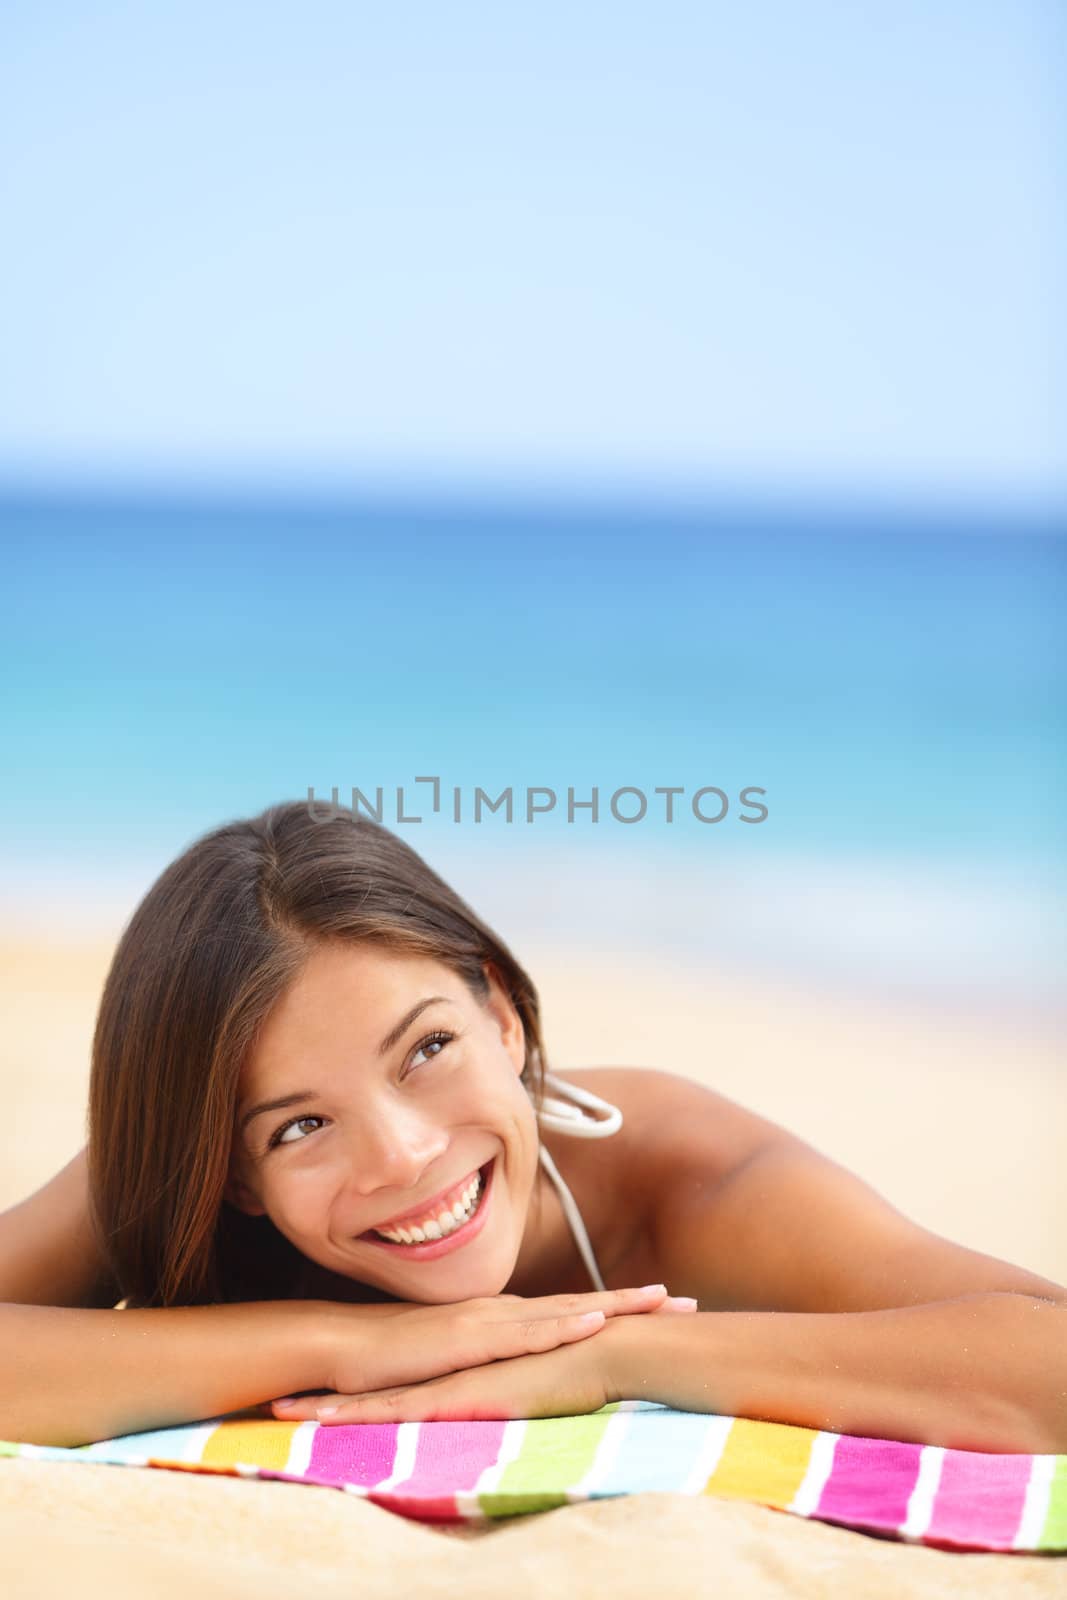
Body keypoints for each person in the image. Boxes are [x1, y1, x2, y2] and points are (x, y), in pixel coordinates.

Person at [1, 800, 1064, 1453]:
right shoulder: (174, 1173)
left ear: (500, 1014)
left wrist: (619, 1359)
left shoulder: (674, 1168)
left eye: (426, 1049)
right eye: (299, 1126)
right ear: (233, 1176)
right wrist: (350, 1341)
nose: (404, 1155)